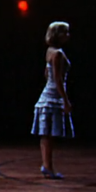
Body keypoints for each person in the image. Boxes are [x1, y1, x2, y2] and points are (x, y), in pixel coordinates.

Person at [32, 21, 74, 179]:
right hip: (53, 95)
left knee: (46, 134)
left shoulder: (50, 51)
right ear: (58, 35)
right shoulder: (58, 54)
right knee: (49, 134)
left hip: (48, 93)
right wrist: (65, 100)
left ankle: (46, 165)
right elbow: (57, 79)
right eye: (65, 32)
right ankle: (48, 166)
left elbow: (47, 74)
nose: (68, 35)